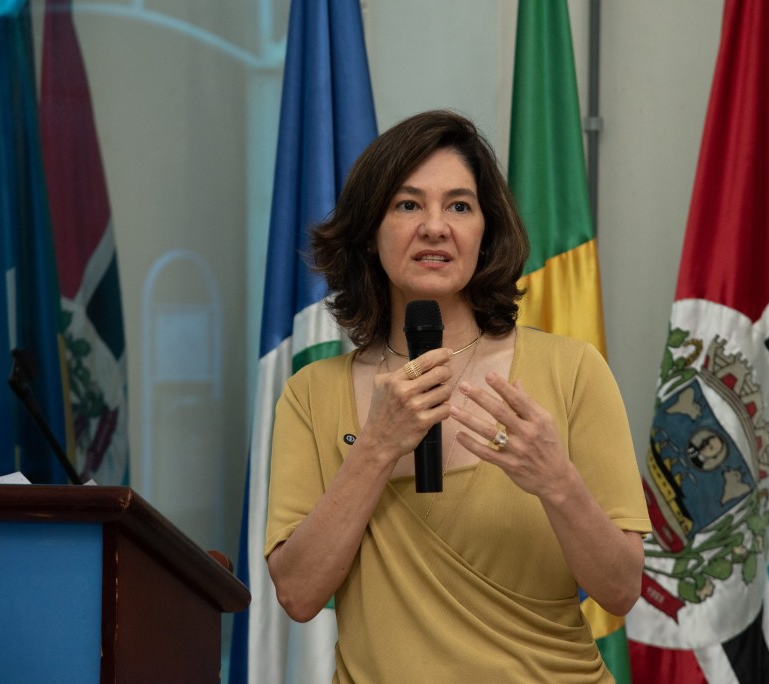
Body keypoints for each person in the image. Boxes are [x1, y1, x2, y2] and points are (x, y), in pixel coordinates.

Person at [265, 110, 651, 683]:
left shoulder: (572, 371)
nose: (435, 227)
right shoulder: (310, 395)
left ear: (485, 233)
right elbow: (298, 594)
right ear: (369, 233)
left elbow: (620, 590)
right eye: (408, 205)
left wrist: (556, 480)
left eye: (459, 206)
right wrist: (376, 447)